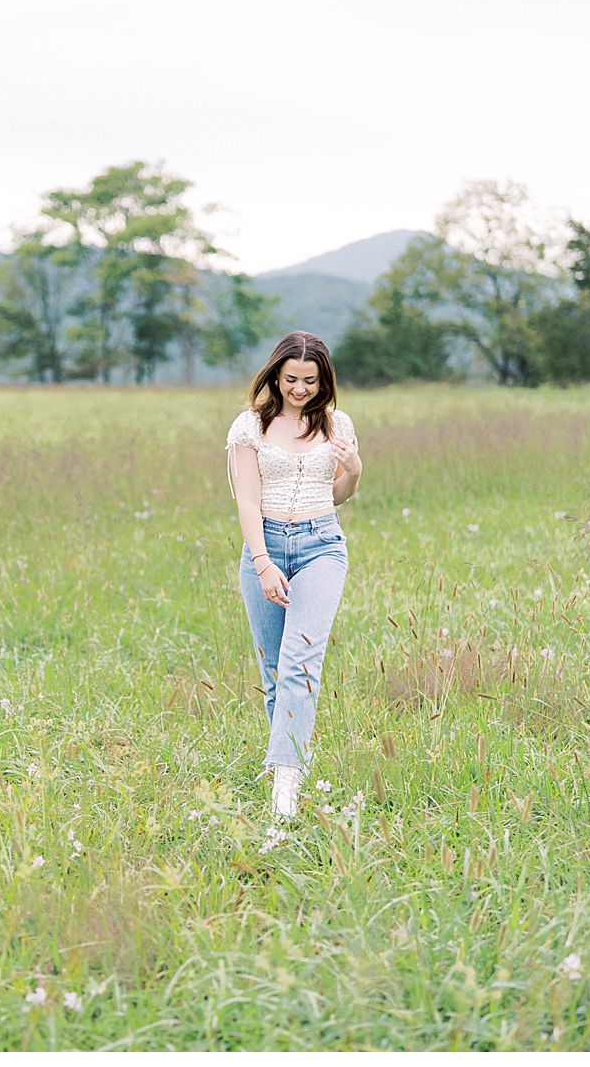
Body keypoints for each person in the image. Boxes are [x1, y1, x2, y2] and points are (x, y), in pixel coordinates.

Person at [225, 332, 361, 818]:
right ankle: (281, 766)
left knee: (300, 659)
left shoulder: (337, 423)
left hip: (321, 545)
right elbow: (247, 499)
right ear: (275, 375)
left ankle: (286, 790)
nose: (300, 389)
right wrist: (262, 562)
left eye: (310, 380)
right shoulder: (249, 427)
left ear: (323, 379)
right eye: (290, 380)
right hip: (264, 547)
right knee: (273, 668)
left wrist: (355, 469)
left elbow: (340, 493)